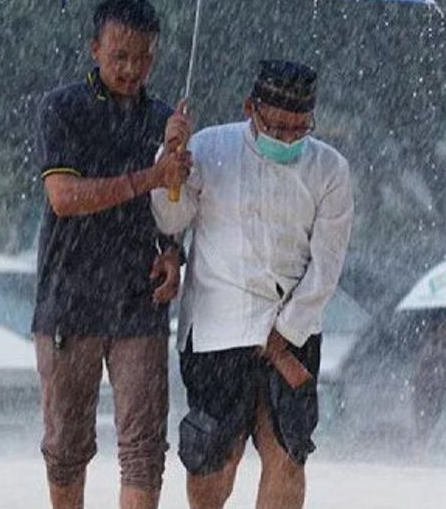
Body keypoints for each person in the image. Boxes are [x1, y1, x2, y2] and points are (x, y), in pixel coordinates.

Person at [151, 60, 354, 509]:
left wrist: (286, 335)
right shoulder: (207, 147)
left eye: (298, 129)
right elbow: (170, 218)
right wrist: (170, 169)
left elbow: (326, 266)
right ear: (250, 109)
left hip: (291, 330)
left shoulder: (330, 170)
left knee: (287, 453)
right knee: (213, 459)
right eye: (276, 126)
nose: (286, 138)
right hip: (216, 329)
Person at [32, 0, 191, 509]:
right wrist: (151, 175)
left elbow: (174, 209)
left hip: (137, 298)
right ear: (94, 49)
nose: (131, 69)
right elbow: (65, 199)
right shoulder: (62, 109)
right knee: (65, 446)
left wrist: (173, 251)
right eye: (119, 56)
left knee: (144, 447)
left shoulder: (166, 120)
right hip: (68, 295)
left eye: (143, 58)